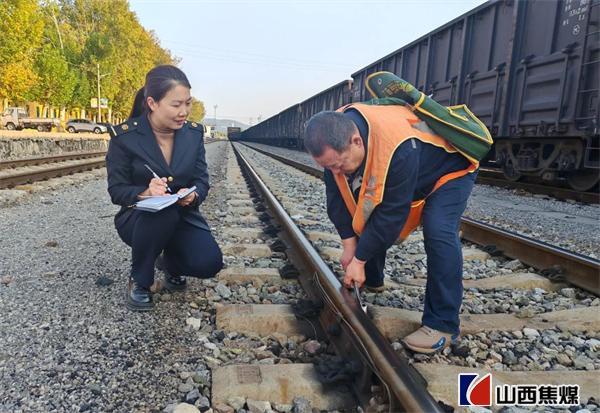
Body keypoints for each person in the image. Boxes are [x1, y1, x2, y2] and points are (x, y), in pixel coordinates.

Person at [303, 102, 478, 354]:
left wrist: (359, 260)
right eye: (328, 167)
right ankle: (373, 279)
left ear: (356, 141)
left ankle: (443, 325)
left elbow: (391, 215)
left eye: (338, 165)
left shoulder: (397, 148)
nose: (335, 172)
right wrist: (349, 246)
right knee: (363, 208)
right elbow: (337, 199)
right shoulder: (334, 136)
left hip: (449, 171)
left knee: (438, 230)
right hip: (413, 164)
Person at [106, 65, 223, 311]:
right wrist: (146, 193)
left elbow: (201, 180)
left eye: (188, 103)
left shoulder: (193, 135)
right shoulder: (125, 137)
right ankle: (140, 279)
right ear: (152, 103)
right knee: (162, 213)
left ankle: (169, 263)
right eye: (176, 104)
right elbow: (116, 190)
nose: (184, 112)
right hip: (139, 220)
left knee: (208, 263)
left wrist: (192, 195)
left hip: (183, 217)